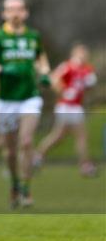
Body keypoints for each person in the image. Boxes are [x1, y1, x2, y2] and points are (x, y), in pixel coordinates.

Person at [0, 0, 51, 208]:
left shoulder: (33, 37)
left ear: (25, 13)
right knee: (11, 151)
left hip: (29, 98)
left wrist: (44, 73)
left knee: (26, 142)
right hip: (5, 100)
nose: (15, 13)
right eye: (11, 9)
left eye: (19, 9)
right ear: (4, 14)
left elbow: (41, 60)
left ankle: (26, 188)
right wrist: (3, 69)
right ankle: (14, 184)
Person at [34, 43, 97, 177]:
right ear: (74, 53)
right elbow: (53, 79)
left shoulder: (87, 69)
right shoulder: (68, 66)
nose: (84, 55)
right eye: (81, 52)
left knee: (58, 136)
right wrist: (63, 91)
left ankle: (37, 156)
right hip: (67, 106)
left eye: (85, 52)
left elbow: (88, 88)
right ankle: (85, 165)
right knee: (81, 136)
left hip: (75, 106)